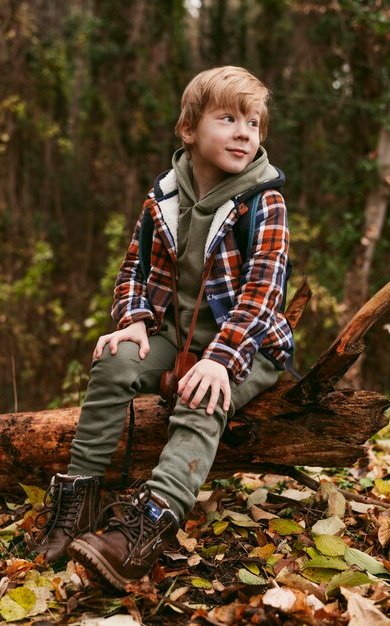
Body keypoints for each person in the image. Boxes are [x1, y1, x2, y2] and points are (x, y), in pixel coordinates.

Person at [31, 66, 293, 590]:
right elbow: (134, 268)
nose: (245, 132)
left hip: (247, 343)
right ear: (189, 129)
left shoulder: (264, 201)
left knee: (200, 396)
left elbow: (263, 292)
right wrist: (133, 321)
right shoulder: (165, 197)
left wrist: (221, 359)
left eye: (254, 122)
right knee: (113, 361)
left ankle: (147, 527)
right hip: (173, 334)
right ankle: (77, 503)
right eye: (228, 118)